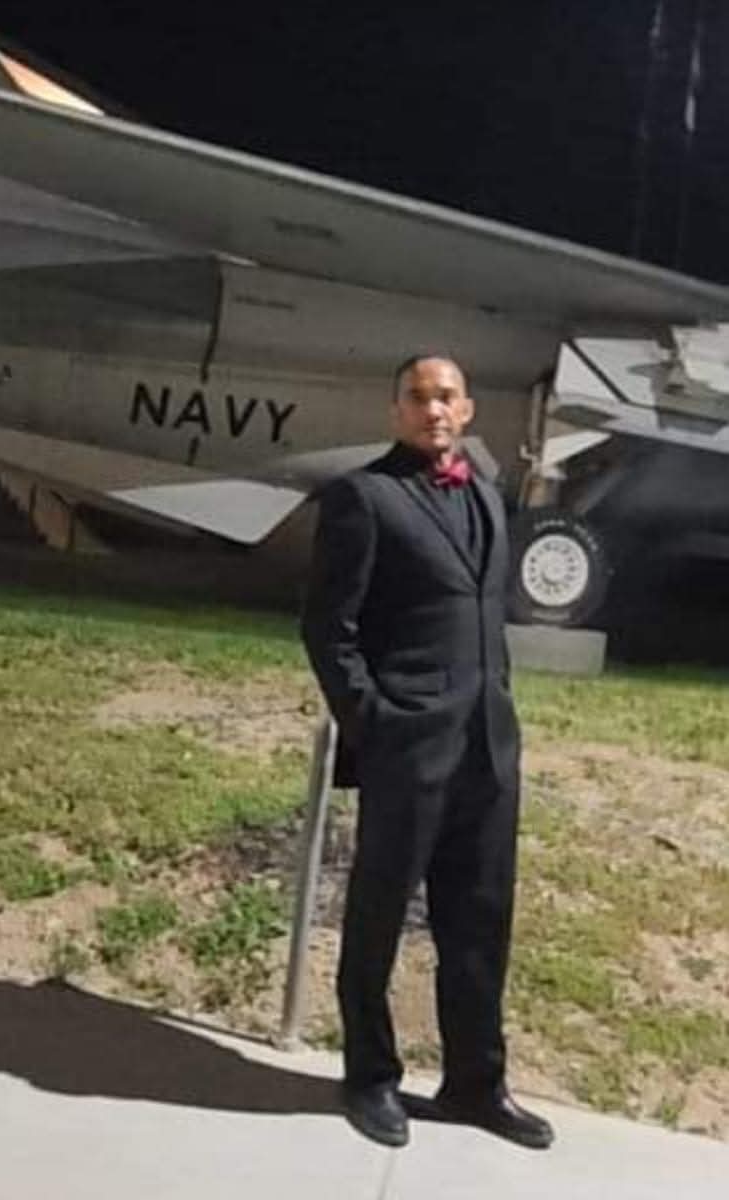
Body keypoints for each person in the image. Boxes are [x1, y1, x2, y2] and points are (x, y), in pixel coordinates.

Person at [301, 356, 554, 1150]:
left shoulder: (485, 494)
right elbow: (328, 629)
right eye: (417, 397)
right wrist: (373, 724)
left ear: (467, 409)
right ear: (396, 411)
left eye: (445, 397)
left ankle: (476, 1085)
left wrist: (499, 711)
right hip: (406, 747)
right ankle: (369, 1077)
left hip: (487, 749)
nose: (432, 409)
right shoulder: (362, 497)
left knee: (480, 921)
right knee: (378, 919)